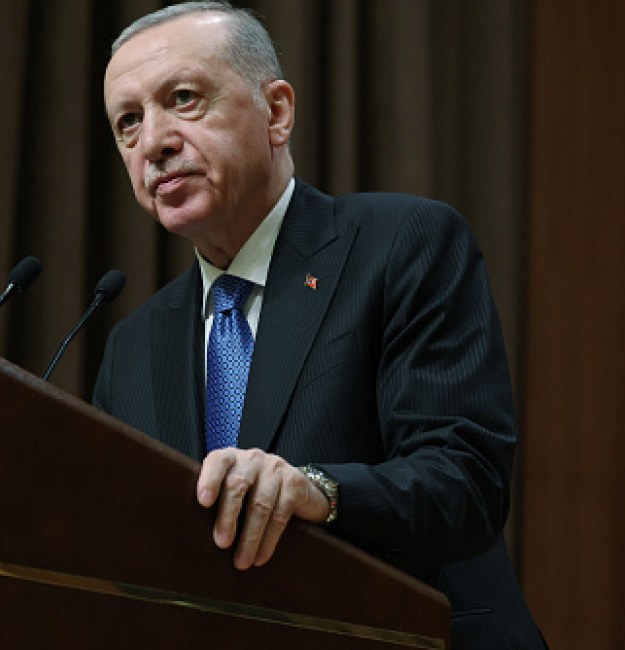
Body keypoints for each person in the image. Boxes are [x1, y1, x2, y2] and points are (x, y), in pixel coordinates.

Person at [92, 3, 544, 648]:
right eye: (128, 123)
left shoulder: (403, 245)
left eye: (183, 98)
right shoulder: (132, 348)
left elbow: (466, 482)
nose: (154, 142)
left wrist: (317, 491)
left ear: (277, 112)